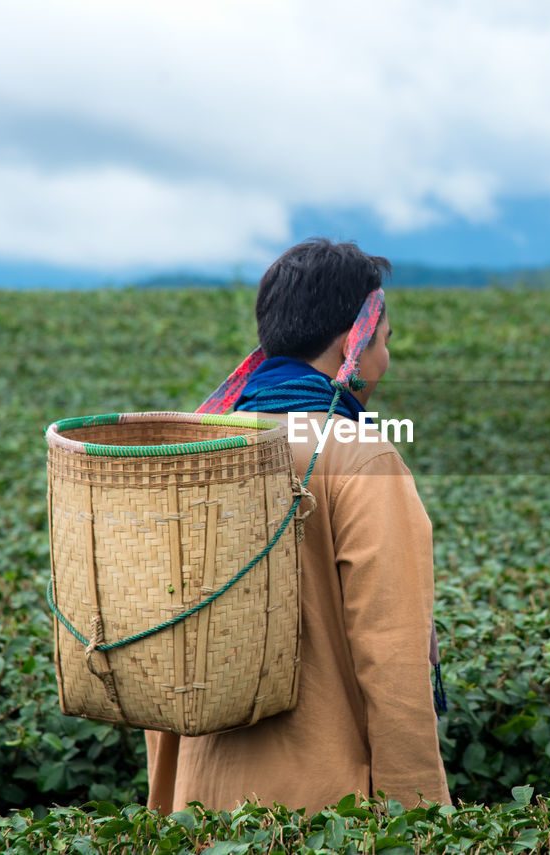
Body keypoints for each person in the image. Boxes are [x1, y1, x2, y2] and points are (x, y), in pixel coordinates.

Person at [144, 238, 450, 813]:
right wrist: (420, 818)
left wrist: (170, 803)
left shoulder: (195, 452)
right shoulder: (360, 456)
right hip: (321, 814)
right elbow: (392, 654)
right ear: (351, 347)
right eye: (386, 343)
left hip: (197, 807)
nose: (388, 361)